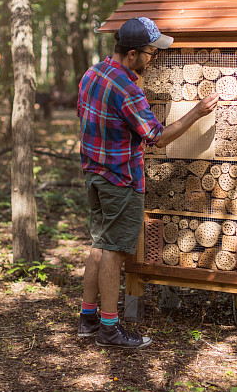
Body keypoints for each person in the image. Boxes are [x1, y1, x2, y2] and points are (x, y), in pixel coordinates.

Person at [76, 17, 218, 348]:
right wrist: (197, 112)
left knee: (99, 244)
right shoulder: (128, 89)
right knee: (114, 251)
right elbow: (158, 137)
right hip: (120, 179)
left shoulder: (93, 74)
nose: (153, 59)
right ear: (132, 55)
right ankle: (110, 329)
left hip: (95, 176)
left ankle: (88, 319)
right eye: (150, 53)